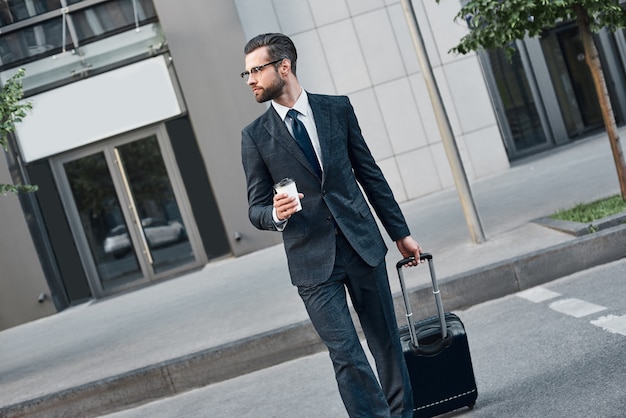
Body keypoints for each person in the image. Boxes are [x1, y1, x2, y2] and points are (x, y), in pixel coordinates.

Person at [240, 33, 423, 418]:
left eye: (257, 69)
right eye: (247, 73)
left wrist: (400, 233)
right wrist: (275, 213)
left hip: (361, 244)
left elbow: (369, 174)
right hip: (311, 261)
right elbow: (255, 208)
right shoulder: (255, 137)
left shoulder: (336, 109)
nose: (251, 79)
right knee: (346, 354)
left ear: (283, 66)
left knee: (386, 344)